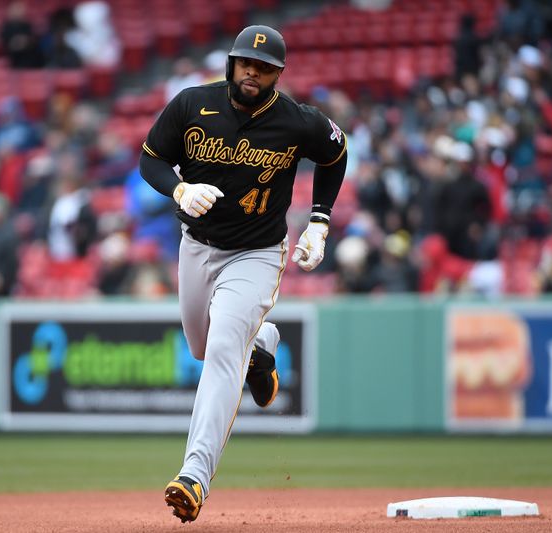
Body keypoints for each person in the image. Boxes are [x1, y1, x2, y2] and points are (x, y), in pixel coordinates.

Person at [139, 25, 347, 523]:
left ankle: (194, 475)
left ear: (278, 74)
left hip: (255, 253)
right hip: (196, 245)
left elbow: (335, 154)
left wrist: (319, 220)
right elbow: (151, 161)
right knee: (200, 347)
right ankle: (262, 344)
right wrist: (179, 190)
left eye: (265, 67)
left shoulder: (297, 122)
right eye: (245, 63)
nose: (253, 72)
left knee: (220, 354)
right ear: (232, 64)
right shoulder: (191, 105)